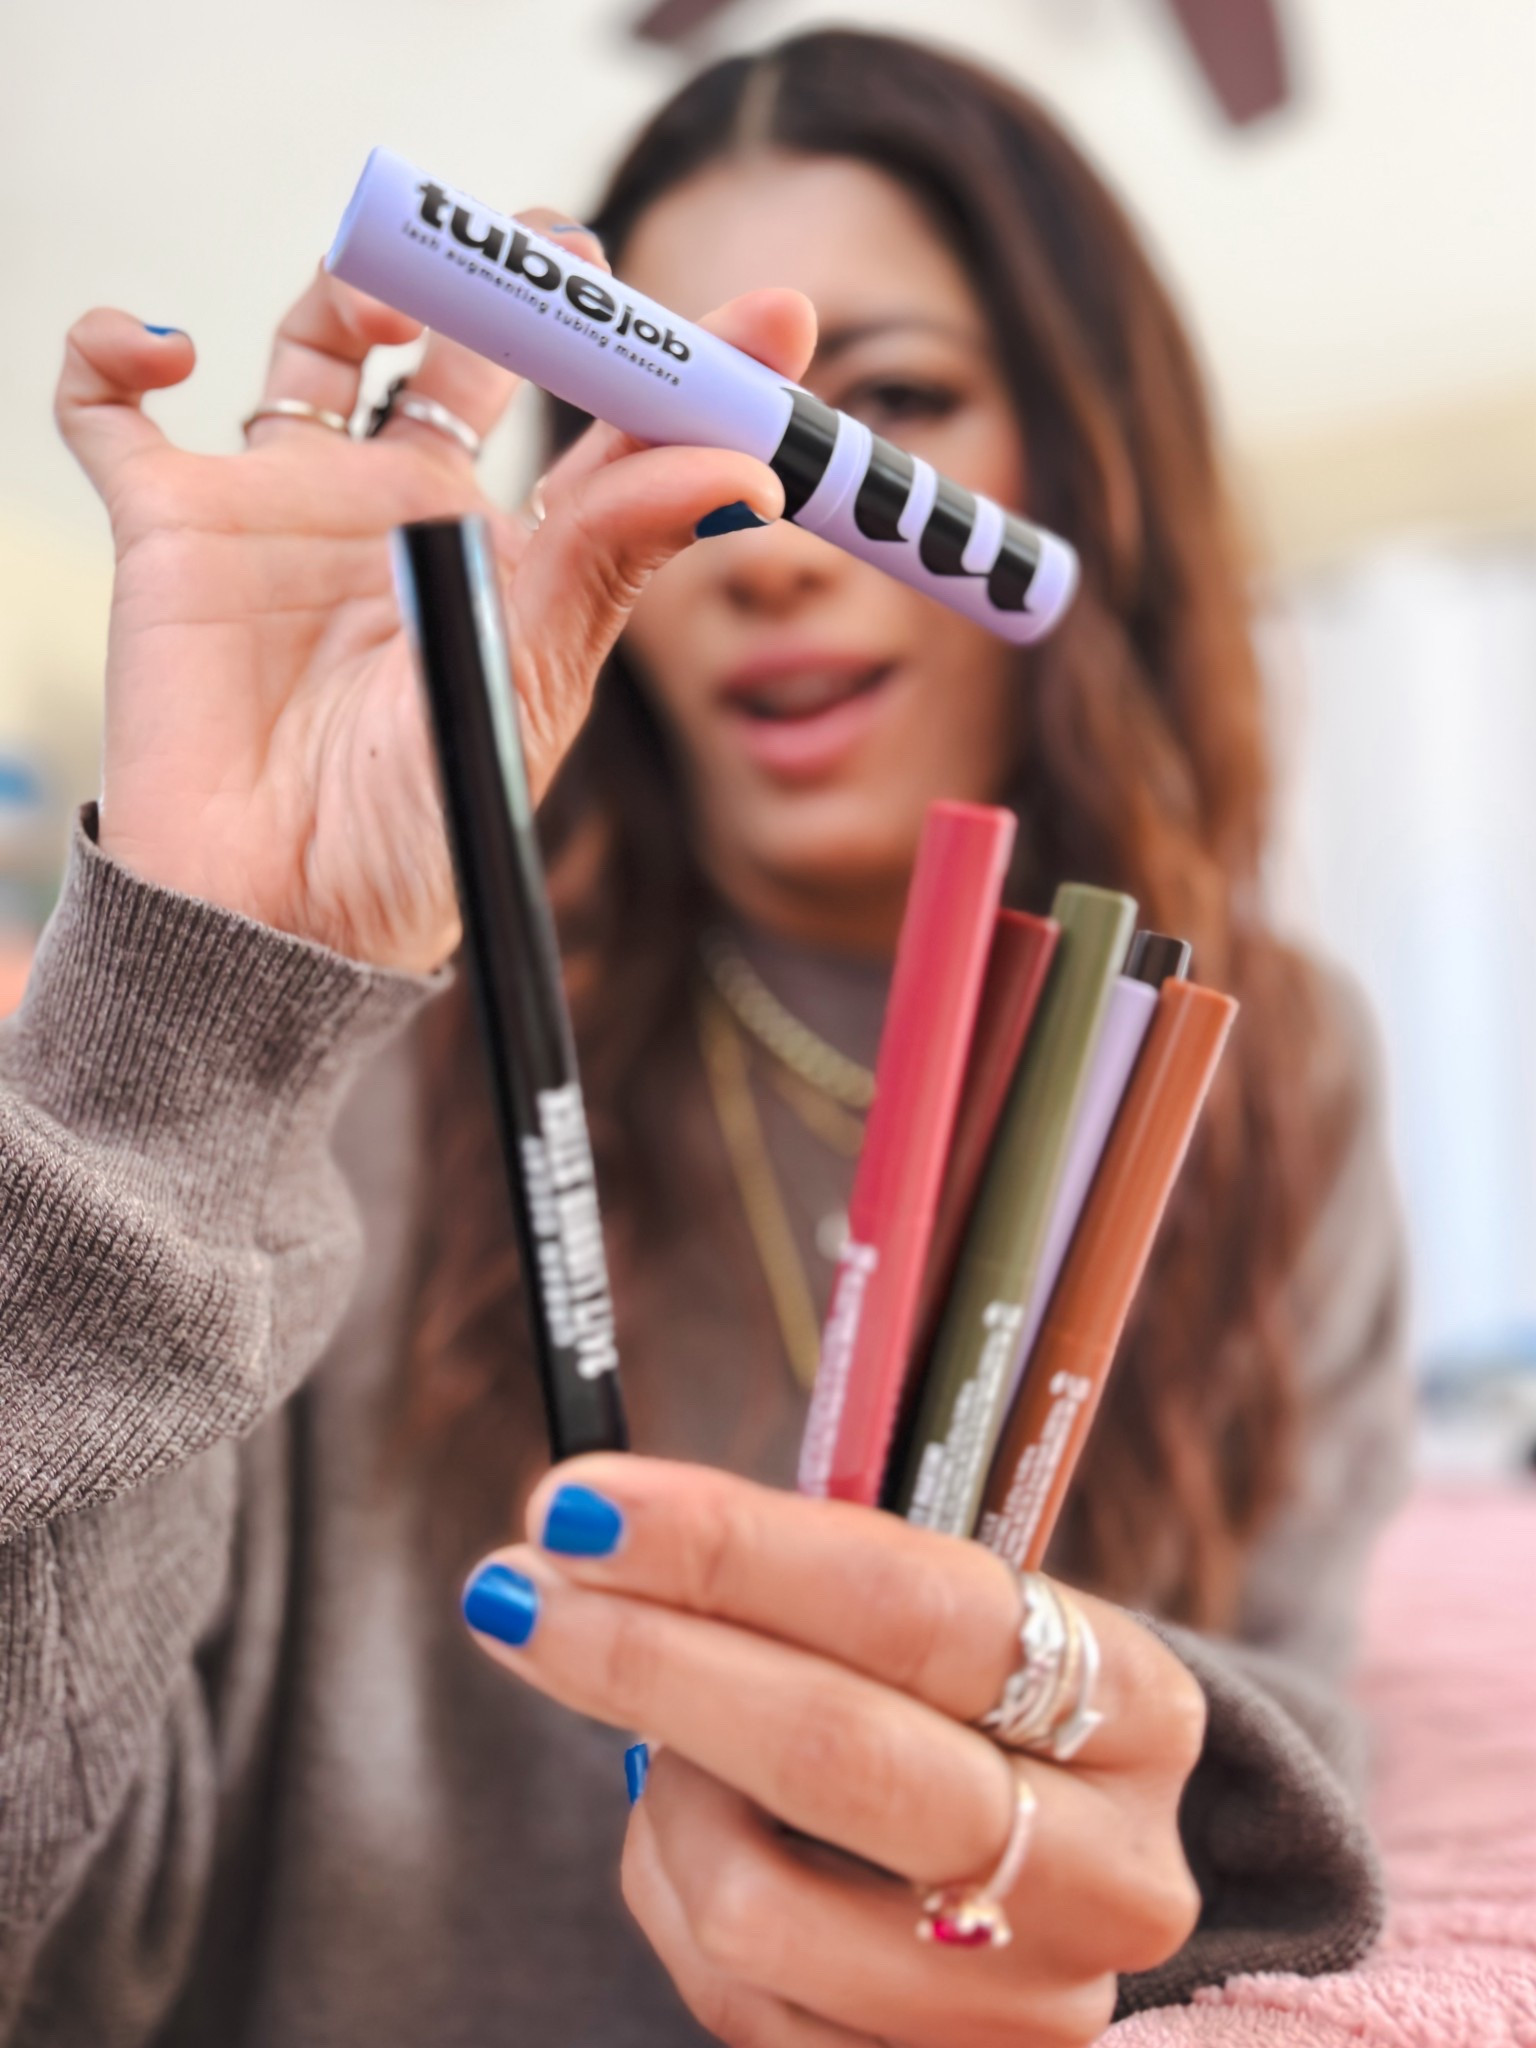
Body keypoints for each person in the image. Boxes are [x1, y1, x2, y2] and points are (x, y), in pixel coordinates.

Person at [0, 28, 1410, 2048]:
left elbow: (1278, 1741)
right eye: (658, 417)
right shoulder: (368, 1034)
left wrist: (1130, 1844)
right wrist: (189, 1017)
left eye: (892, 404)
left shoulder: (1268, 1067)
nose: (769, 529)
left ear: (1088, 458)